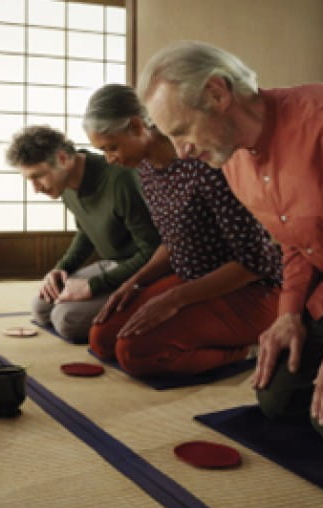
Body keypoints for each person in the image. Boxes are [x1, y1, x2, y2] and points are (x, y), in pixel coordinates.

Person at [138, 40, 323, 452]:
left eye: (181, 132)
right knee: (279, 400)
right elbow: (293, 245)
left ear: (217, 93)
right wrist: (287, 315)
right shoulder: (230, 157)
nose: (181, 151)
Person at [84, 84, 281, 377]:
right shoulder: (146, 170)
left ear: (138, 127)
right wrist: (135, 282)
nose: (110, 159)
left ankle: (249, 349)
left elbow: (257, 261)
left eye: (112, 147)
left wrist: (173, 300)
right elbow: (173, 240)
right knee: (102, 338)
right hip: (191, 280)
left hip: (249, 289)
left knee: (136, 353)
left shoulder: (206, 164)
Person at [6, 125, 160, 342]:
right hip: (112, 265)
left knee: (67, 320)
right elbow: (86, 231)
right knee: (41, 307)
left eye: (38, 177)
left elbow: (152, 251)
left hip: (142, 272)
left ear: (62, 159)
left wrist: (94, 285)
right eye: (29, 180)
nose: (35, 189)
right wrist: (62, 267)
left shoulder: (119, 180)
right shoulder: (66, 181)